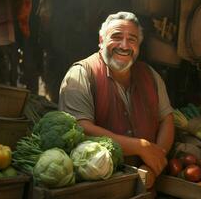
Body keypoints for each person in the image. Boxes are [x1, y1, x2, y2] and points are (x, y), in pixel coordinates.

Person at [59, 11, 174, 188]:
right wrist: (140, 147)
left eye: (132, 39)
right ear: (101, 40)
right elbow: (81, 129)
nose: (124, 45)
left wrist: (154, 161)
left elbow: (166, 119)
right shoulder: (81, 74)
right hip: (100, 186)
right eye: (116, 37)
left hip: (149, 185)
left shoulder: (151, 76)